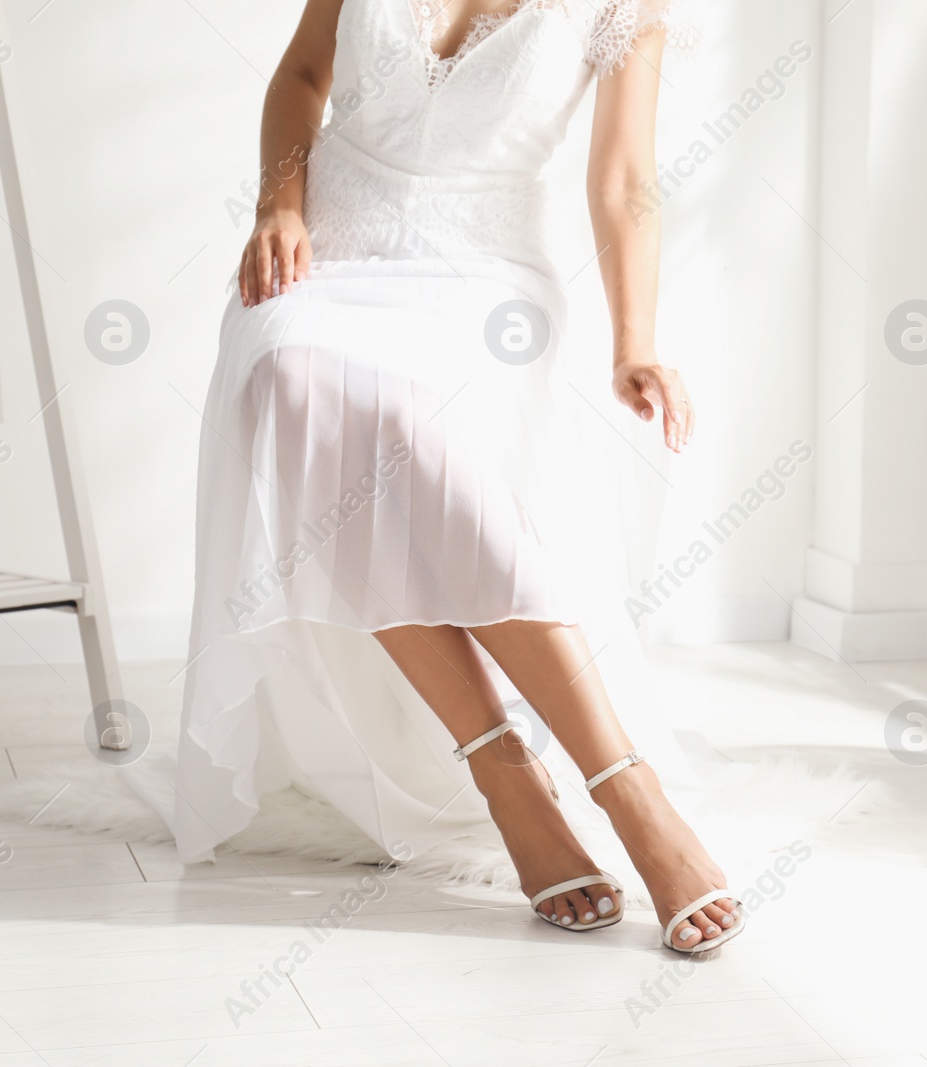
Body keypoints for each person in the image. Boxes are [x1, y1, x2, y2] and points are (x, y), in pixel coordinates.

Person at [166, 0, 741, 954]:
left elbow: (626, 175)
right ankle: (504, 768)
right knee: (298, 379)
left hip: (485, 272)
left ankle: (626, 785)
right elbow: (303, 76)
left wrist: (635, 340)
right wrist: (279, 202)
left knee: (402, 434)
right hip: (326, 256)